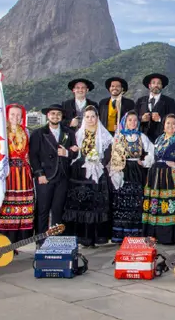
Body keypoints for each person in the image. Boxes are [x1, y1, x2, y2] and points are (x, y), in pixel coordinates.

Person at [141, 114, 175, 244]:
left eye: (173, 123)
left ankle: (171, 235)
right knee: (157, 204)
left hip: (172, 175)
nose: (170, 126)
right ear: (164, 126)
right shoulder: (159, 139)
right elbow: (152, 154)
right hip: (156, 175)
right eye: (168, 123)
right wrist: (145, 163)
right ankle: (156, 234)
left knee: (171, 203)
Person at [64, 106, 113, 247]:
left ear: (97, 117)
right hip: (80, 172)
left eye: (93, 116)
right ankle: (81, 237)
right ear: (83, 119)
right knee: (81, 204)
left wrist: (101, 163)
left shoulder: (104, 134)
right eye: (87, 117)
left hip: (97, 170)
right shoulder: (78, 134)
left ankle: (94, 237)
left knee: (95, 205)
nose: (90, 119)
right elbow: (74, 151)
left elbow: (109, 150)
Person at [29, 104, 79, 240]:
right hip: (45, 176)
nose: (55, 116)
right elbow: (33, 156)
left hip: (62, 176)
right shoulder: (38, 133)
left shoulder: (69, 133)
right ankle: (41, 239)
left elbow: (74, 153)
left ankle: (56, 239)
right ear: (48, 116)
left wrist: (66, 153)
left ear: (61, 116)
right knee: (43, 210)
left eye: (58, 114)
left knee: (58, 209)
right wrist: (39, 174)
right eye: (52, 114)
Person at [109, 110, 154, 243]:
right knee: (122, 202)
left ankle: (135, 233)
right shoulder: (118, 137)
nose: (133, 123)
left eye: (135, 120)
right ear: (125, 122)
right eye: (130, 120)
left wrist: (145, 161)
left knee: (136, 201)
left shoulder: (141, 137)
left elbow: (153, 150)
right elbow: (113, 154)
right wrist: (116, 170)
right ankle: (121, 234)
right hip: (123, 170)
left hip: (137, 170)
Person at [0, 104, 35, 246]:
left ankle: (17, 241)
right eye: (12, 114)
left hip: (23, 172)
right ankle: (3, 240)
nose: (15, 118)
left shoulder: (25, 131)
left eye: (18, 115)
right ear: (6, 115)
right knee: (6, 205)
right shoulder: (1, 132)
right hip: (8, 172)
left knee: (21, 206)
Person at [136, 73, 175, 140]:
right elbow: (132, 117)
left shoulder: (169, 101)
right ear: (149, 85)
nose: (156, 85)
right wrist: (141, 118)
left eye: (159, 83)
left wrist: (160, 119)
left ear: (162, 86)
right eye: (153, 83)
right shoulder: (140, 101)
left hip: (162, 139)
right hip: (142, 139)